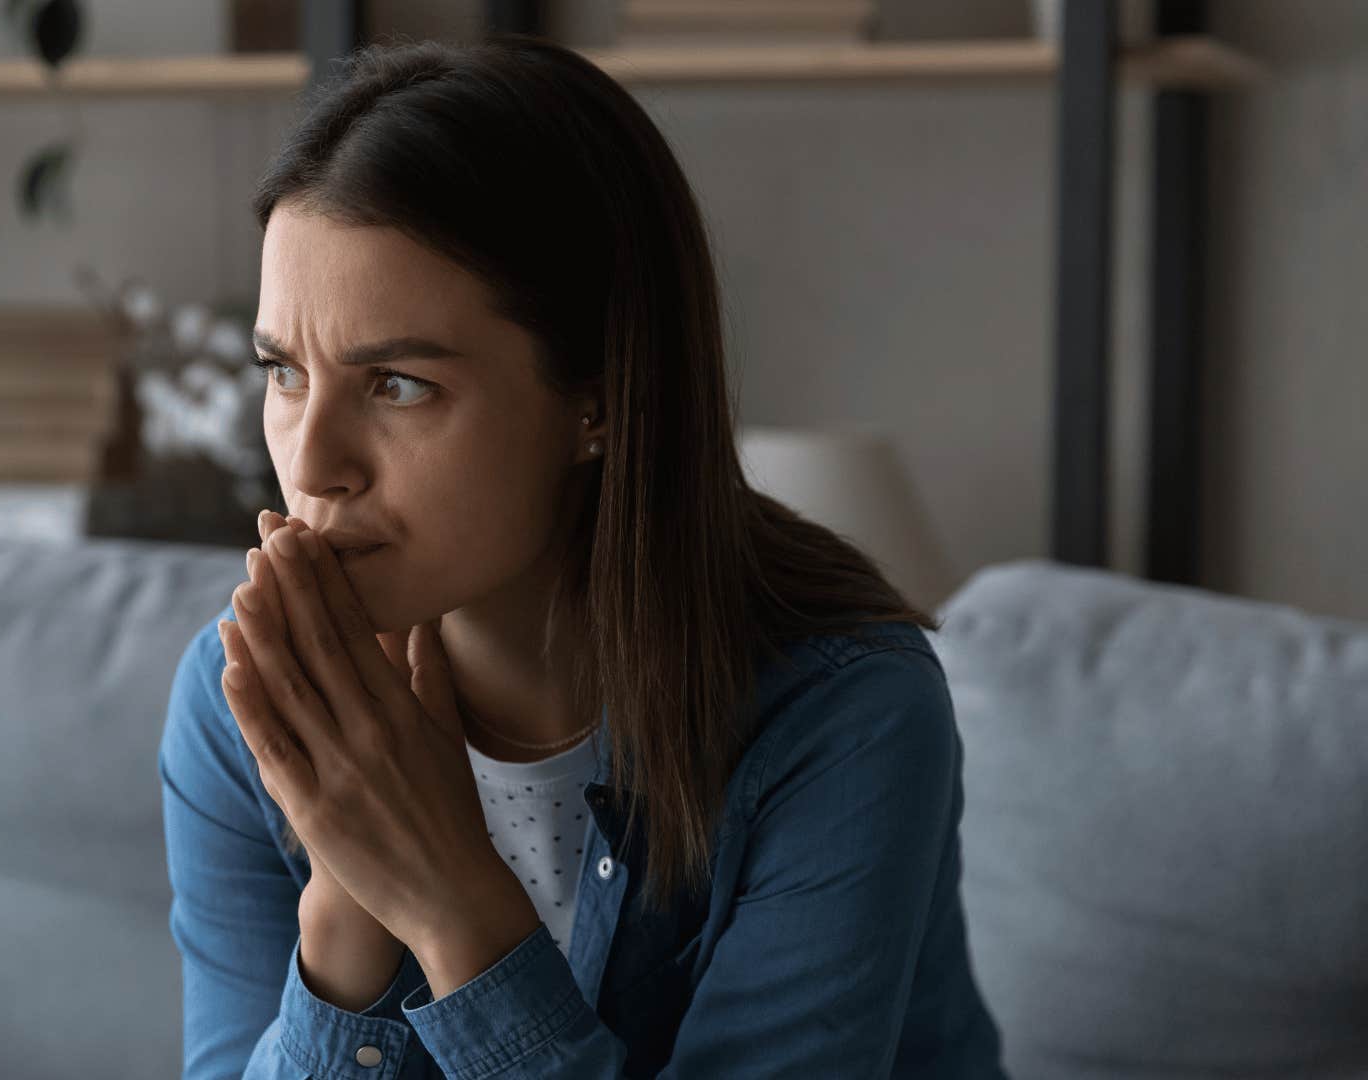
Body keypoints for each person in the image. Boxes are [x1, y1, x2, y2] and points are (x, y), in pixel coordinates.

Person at [157, 34, 1006, 1079]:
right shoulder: (237, 700)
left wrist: (451, 903)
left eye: (397, 385)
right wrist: (345, 907)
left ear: (595, 399)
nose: (312, 462)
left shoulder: (842, 714)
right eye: (284, 373)